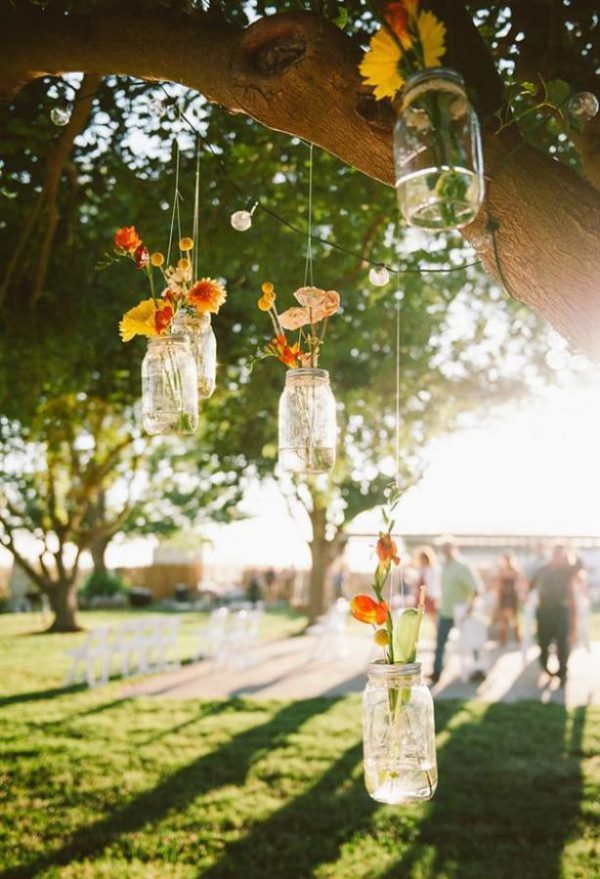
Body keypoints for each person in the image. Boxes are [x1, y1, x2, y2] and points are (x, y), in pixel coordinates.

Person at [531, 544, 582, 686]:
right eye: (555, 554)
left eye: (560, 555)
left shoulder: (566, 570)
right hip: (544, 611)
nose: (557, 558)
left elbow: (580, 564)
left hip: (561, 610)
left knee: (563, 643)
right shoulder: (542, 570)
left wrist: (571, 552)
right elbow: (530, 584)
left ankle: (562, 674)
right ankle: (546, 668)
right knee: (543, 642)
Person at [431, 539, 479, 684]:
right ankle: (436, 673)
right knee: (440, 643)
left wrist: (470, 606)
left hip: (461, 612)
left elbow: (475, 589)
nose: (445, 551)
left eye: (447, 547)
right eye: (443, 548)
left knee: (469, 643)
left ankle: (478, 670)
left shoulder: (462, 566)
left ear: (454, 548)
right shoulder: (444, 566)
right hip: (445, 611)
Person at [494, 554, 522, 646]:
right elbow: (497, 584)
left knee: (515, 618)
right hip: (504, 596)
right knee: (503, 619)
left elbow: (519, 582)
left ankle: (518, 638)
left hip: (512, 596)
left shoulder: (515, 570)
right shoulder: (501, 570)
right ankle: (503, 640)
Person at [413, 546, 440, 619]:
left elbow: (433, 584)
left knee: (433, 616)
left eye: (423, 558)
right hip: (420, 596)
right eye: (421, 558)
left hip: (429, 595)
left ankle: (436, 629)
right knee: (417, 616)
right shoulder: (419, 570)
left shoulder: (432, 569)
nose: (422, 560)